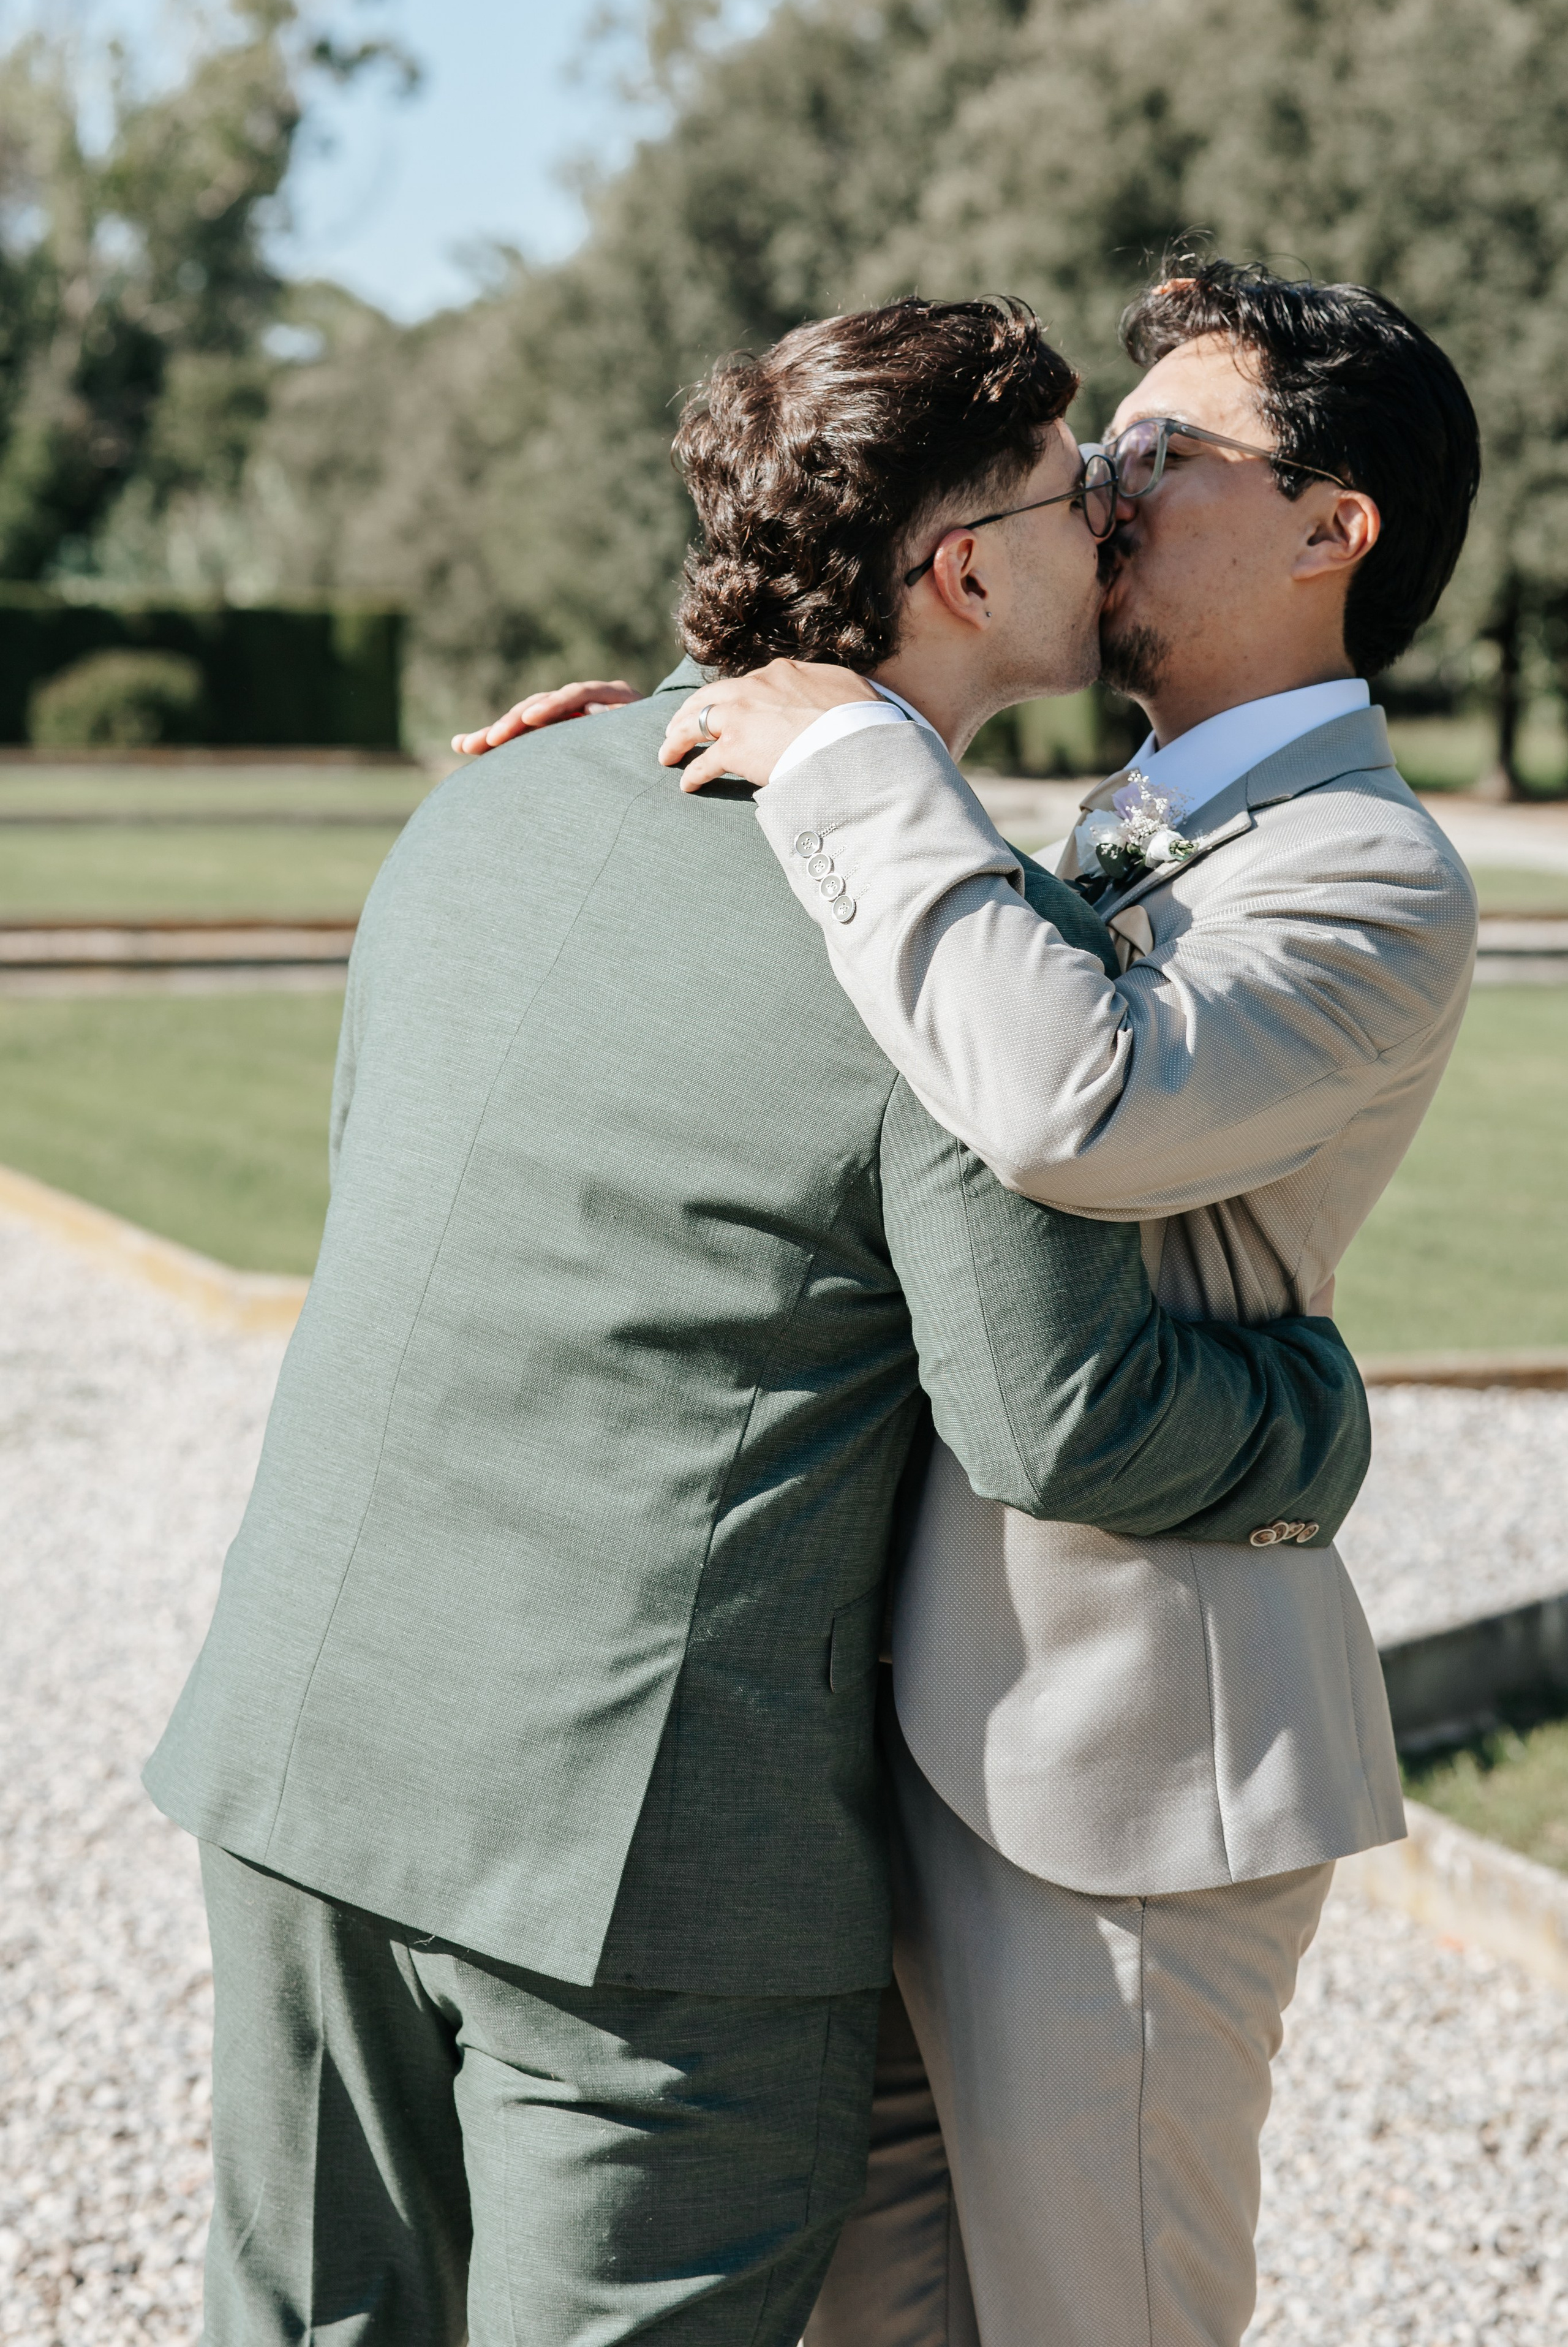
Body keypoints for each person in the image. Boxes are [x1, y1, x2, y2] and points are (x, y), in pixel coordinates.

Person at [141, 296, 1366, 2347]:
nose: (1120, 525)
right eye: (1085, 494)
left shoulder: (489, 798)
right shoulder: (948, 952)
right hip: (641, 1868)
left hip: (298, 1759)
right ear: (968, 570)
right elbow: (1057, 1421)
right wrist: (1311, 1421)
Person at [461, 263, 1481, 2346]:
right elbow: (926, 962)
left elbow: (1065, 1099)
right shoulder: (1121, 817)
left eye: (1158, 454)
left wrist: (842, 760)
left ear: (1331, 528)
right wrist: (673, 742)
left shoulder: (1370, 876)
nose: (1097, 489)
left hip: (1125, 1766)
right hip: (901, 1735)